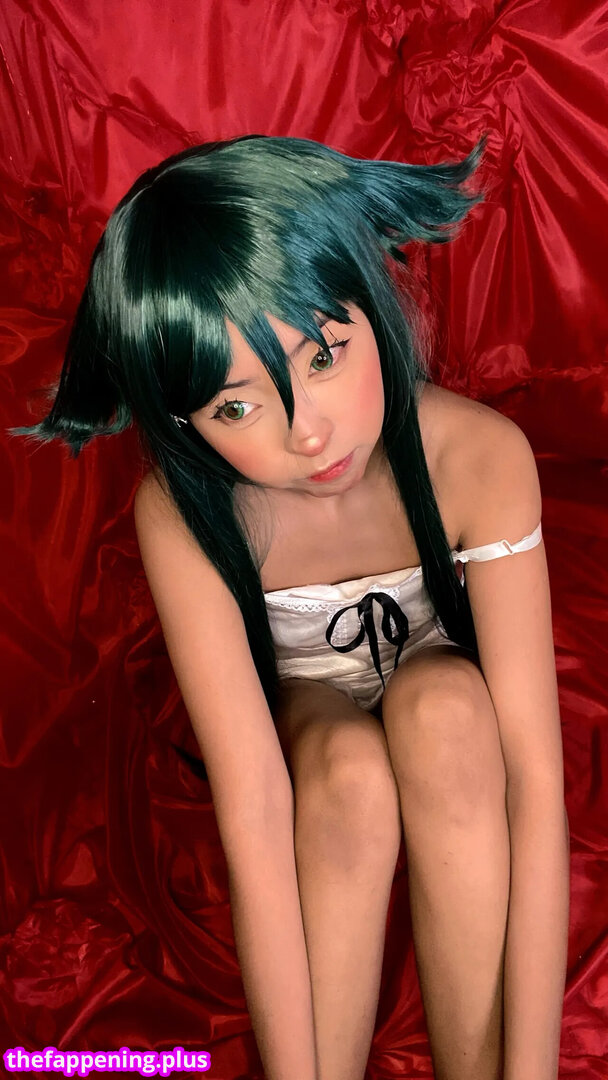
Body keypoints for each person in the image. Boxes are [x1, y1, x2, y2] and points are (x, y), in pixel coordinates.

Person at [11, 135, 569, 1080]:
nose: (308, 433)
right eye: (236, 408)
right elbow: (257, 812)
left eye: (324, 355)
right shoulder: (187, 511)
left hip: (449, 697)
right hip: (306, 711)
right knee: (349, 776)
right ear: (183, 420)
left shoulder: (478, 458)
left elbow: (535, 781)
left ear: (371, 305)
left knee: (446, 714)